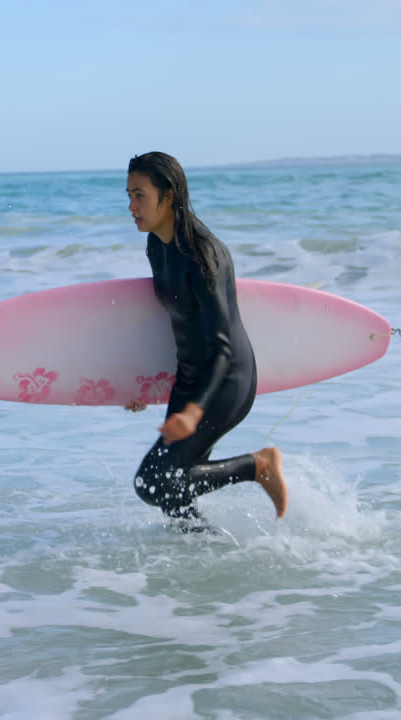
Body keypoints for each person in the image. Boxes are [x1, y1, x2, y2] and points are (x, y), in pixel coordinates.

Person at [124, 152, 287, 527]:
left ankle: (258, 465)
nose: (131, 206)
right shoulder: (156, 246)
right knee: (174, 498)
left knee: (152, 482)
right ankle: (204, 559)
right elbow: (176, 325)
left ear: (168, 196)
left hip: (226, 381)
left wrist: (194, 411)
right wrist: (145, 386)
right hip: (189, 379)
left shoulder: (202, 256)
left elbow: (221, 346)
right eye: (128, 196)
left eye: (139, 195)